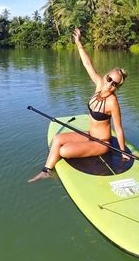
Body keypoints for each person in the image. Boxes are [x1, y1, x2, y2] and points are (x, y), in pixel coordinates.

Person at [28, 28, 129, 182]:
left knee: (64, 150)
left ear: (117, 87)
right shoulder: (99, 84)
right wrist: (79, 43)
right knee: (57, 139)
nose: (110, 85)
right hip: (89, 135)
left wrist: (123, 152)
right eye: (109, 79)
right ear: (106, 76)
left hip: (102, 143)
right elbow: (87, 64)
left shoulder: (112, 102)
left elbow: (119, 129)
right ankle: (46, 170)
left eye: (115, 84)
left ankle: (53, 165)